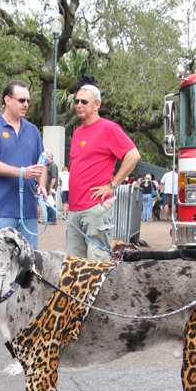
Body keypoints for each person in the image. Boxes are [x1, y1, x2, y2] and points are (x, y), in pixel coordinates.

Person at [67, 80, 140, 261]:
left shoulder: (109, 128)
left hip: (95, 209)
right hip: (74, 209)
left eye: (84, 102)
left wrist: (112, 186)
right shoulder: (77, 132)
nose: (79, 105)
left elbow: (133, 155)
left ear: (97, 105)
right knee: (74, 265)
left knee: (97, 264)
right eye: (76, 101)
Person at [0, 80, 47, 249]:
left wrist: (42, 185)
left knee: (29, 264)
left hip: (29, 211)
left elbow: (41, 163)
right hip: (0, 209)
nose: (26, 105)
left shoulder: (33, 130)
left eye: (28, 101)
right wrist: (22, 172)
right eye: (21, 100)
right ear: (7, 100)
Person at [44, 152, 58, 225]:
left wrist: (50, 188)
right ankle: (49, 218)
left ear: (49, 157)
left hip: (51, 189)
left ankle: (52, 219)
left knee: (51, 204)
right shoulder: (48, 166)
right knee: (48, 204)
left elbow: (53, 178)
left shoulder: (53, 166)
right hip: (47, 188)